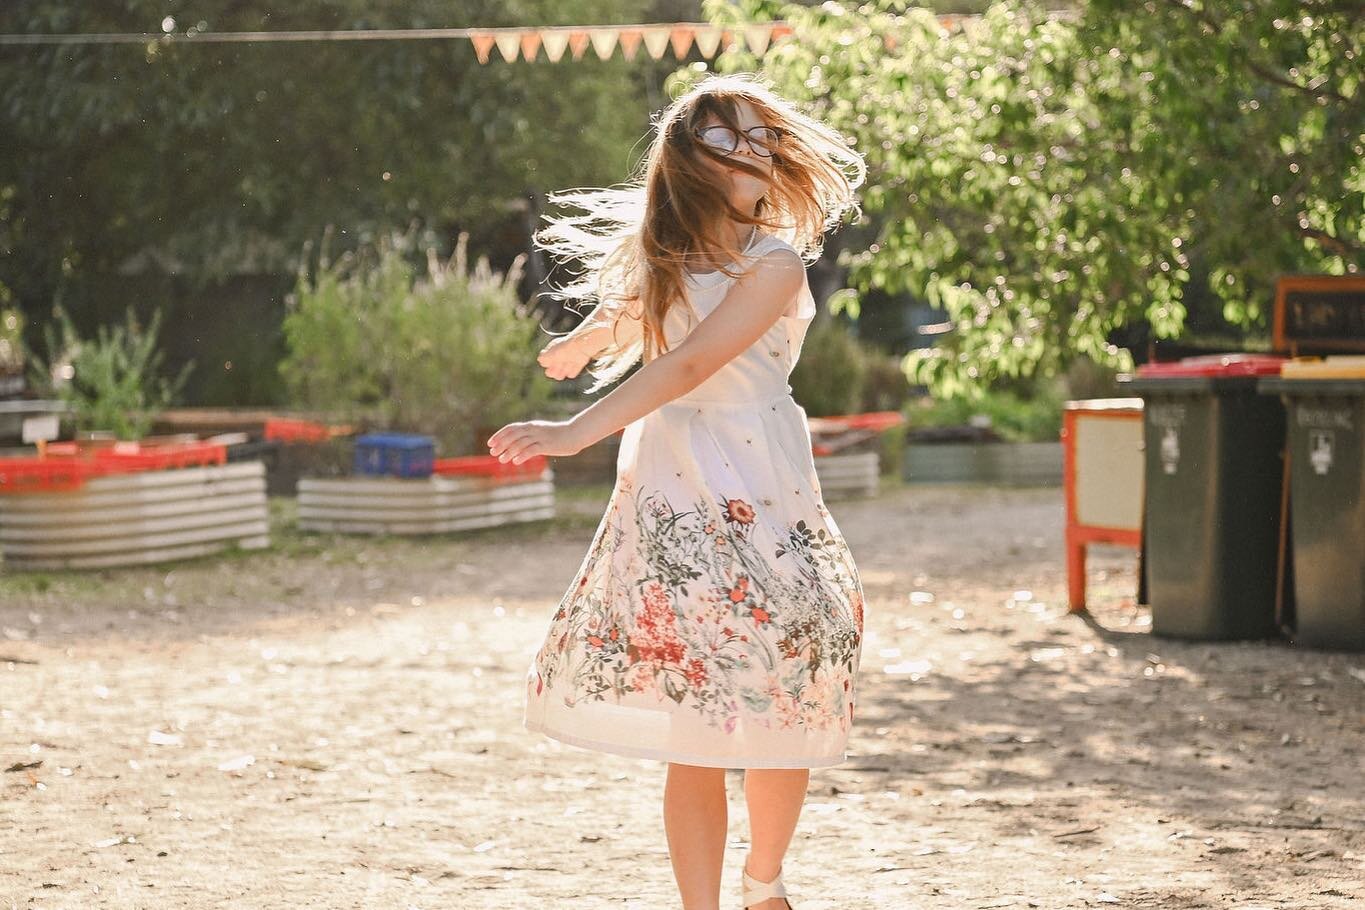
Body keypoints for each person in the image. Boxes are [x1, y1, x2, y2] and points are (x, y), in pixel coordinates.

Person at [486, 72, 867, 910]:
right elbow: (645, 307)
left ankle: (763, 881)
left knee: (778, 705)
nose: (754, 151)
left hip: (761, 490)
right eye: (730, 138)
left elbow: (692, 361)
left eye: (761, 137)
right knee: (694, 727)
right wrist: (585, 339)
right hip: (674, 498)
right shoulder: (665, 262)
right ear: (690, 161)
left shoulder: (774, 264)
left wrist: (570, 431)